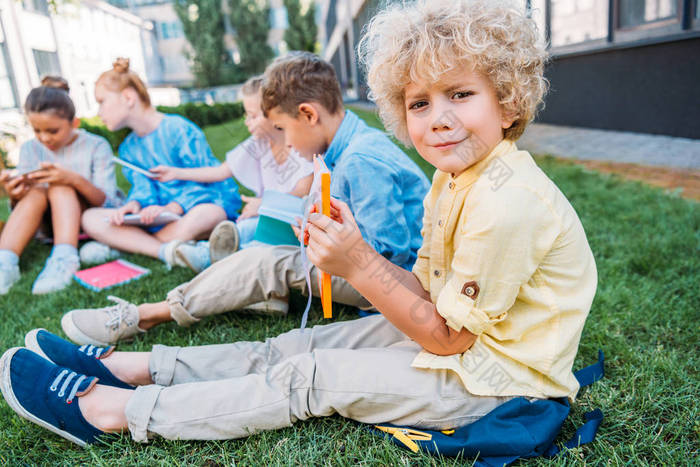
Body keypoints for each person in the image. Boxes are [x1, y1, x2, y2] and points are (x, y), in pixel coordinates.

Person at [0, 0, 598, 448]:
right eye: (419, 102)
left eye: (461, 94)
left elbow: (450, 338)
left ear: (510, 101)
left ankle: (111, 412)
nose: (438, 119)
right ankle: (129, 366)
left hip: (499, 380)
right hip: (462, 344)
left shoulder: (505, 201)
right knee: (302, 342)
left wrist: (359, 264)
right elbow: (426, 292)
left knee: (312, 375)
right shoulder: (454, 177)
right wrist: (357, 250)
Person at [59, 51, 429, 344]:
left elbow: (390, 256)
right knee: (267, 247)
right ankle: (240, 293)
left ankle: (146, 315)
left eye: (282, 129)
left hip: (397, 289)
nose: (285, 143)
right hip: (379, 276)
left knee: (267, 260)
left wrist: (325, 245)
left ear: (308, 114)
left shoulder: (360, 161)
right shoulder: (347, 150)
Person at [78, 58, 241, 268]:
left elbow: (205, 180)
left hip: (194, 208)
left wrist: (172, 207)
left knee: (211, 214)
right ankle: (166, 249)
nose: (99, 112)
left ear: (128, 97)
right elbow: (143, 188)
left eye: (102, 102)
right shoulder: (128, 148)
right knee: (90, 218)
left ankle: (130, 244)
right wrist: (134, 205)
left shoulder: (179, 129)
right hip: (157, 219)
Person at [150, 76, 314, 273]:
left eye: (253, 116)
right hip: (266, 219)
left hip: (298, 224)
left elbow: (302, 192)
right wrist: (176, 173)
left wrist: (263, 204)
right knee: (243, 227)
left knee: (255, 234)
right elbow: (220, 171)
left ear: (274, 114)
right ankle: (212, 251)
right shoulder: (259, 143)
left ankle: (207, 255)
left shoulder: (301, 144)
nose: (247, 122)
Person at [0, 77, 120, 295]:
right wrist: (14, 194)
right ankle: (5, 263)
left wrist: (73, 179)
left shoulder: (96, 146)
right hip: (46, 225)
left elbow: (109, 202)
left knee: (59, 185)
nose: (44, 138)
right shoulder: (29, 148)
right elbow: (25, 203)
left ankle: (64, 258)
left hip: (89, 221)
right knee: (37, 190)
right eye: (37, 130)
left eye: (53, 131)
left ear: (74, 123)